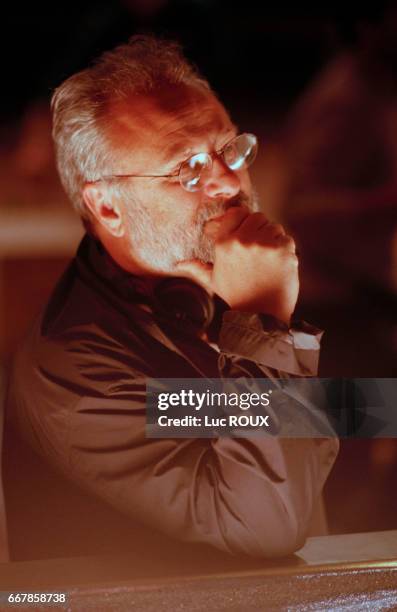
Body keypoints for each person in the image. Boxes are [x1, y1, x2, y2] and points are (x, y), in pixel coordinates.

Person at [7, 35, 338, 559]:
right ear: (108, 207)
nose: (230, 182)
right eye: (188, 169)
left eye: (229, 149)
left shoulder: (217, 273)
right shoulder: (76, 375)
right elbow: (269, 524)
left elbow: (318, 420)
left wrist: (375, 411)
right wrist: (262, 321)